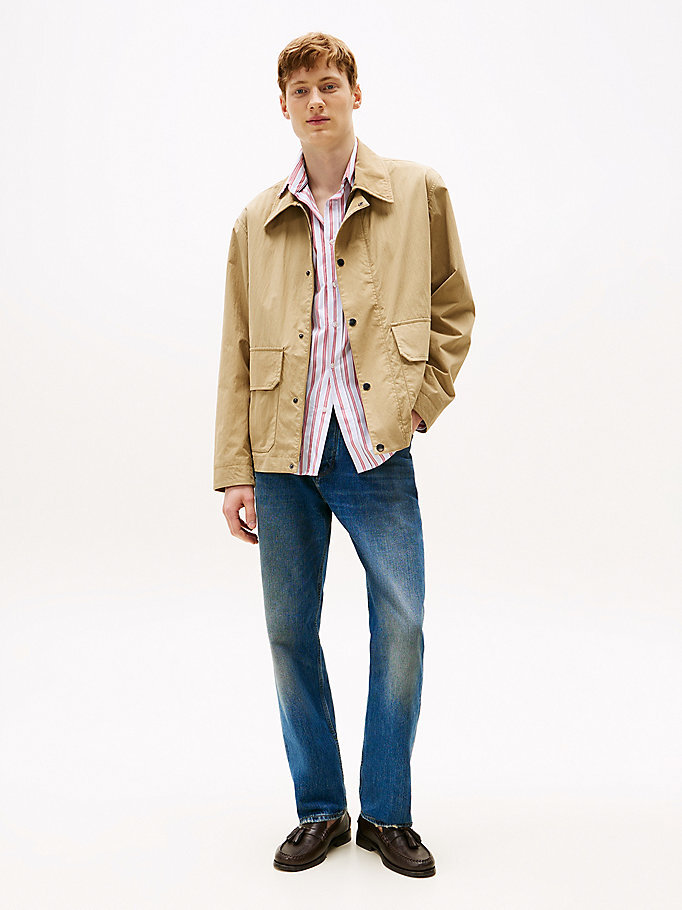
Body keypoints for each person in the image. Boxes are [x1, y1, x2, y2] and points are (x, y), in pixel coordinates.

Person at [213, 31, 475, 878]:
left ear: (355, 94)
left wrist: (420, 402)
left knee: (402, 628)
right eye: (301, 91)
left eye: (329, 85)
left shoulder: (417, 191)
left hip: (374, 447)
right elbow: (237, 347)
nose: (316, 101)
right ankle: (320, 808)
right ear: (283, 107)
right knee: (289, 632)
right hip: (282, 450)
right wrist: (234, 471)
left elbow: (453, 307)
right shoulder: (256, 220)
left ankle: (387, 813)